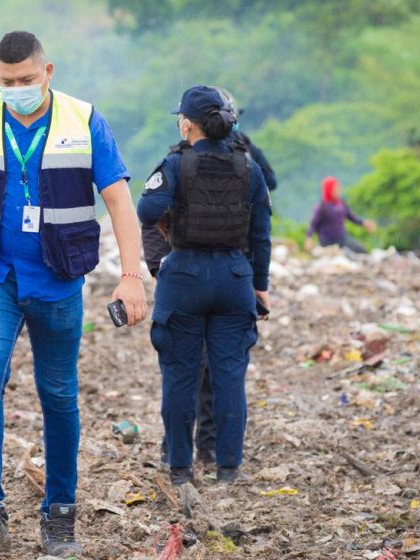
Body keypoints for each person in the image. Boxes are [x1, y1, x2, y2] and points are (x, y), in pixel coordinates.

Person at [0, 31, 146, 558]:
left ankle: (60, 518)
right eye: (6, 82)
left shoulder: (84, 120)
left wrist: (132, 275)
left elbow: (118, 201)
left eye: (25, 80)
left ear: (48, 72)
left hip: (58, 279)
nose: (16, 89)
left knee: (59, 394)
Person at [138, 85, 271, 488]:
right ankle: (228, 469)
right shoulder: (250, 167)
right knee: (230, 376)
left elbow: (147, 211)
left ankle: (180, 469)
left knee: (180, 375)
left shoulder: (175, 165)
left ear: (188, 124)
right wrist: (260, 286)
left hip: (184, 278)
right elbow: (262, 234)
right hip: (234, 277)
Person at [304, 176, 376, 253]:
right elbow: (313, 224)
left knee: (362, 251)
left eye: (339, 188)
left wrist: (364, 223)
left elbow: (351, 217)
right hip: (326, 242)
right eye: (336, 189)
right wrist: (309, 238)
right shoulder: (321, 207)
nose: (339, 191)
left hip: (342, 239)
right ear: (329, 190)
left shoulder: (341, 204)